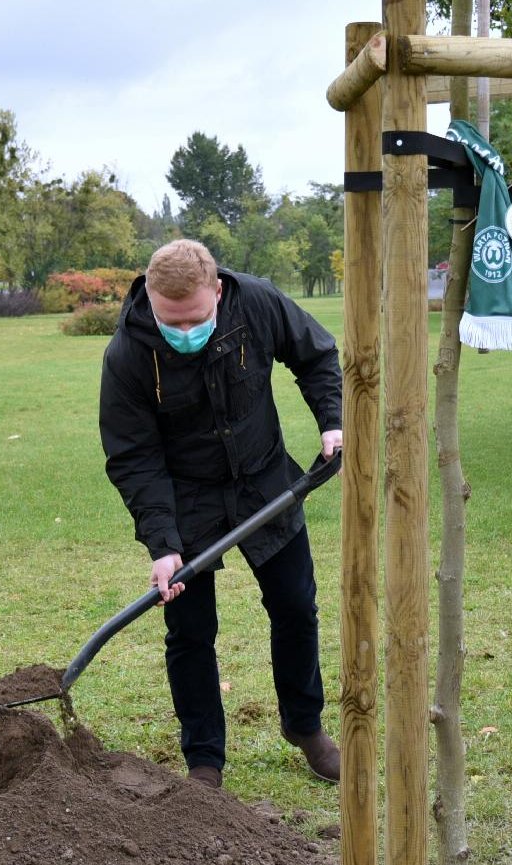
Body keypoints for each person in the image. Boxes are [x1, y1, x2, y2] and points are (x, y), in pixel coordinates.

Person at [99, 239, 344, 791]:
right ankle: (204, 763)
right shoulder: (128, 353)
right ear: (151, 297)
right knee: (189, 631)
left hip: (264, 482)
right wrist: (163, 544)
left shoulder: (256, 303)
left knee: (295, 607)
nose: (183, 333)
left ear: (217, 290)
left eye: (195, 319)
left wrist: (332, 420)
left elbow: (316, 355)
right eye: (170, 320)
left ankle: (305, 727)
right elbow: (133, 457)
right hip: (186, 500)